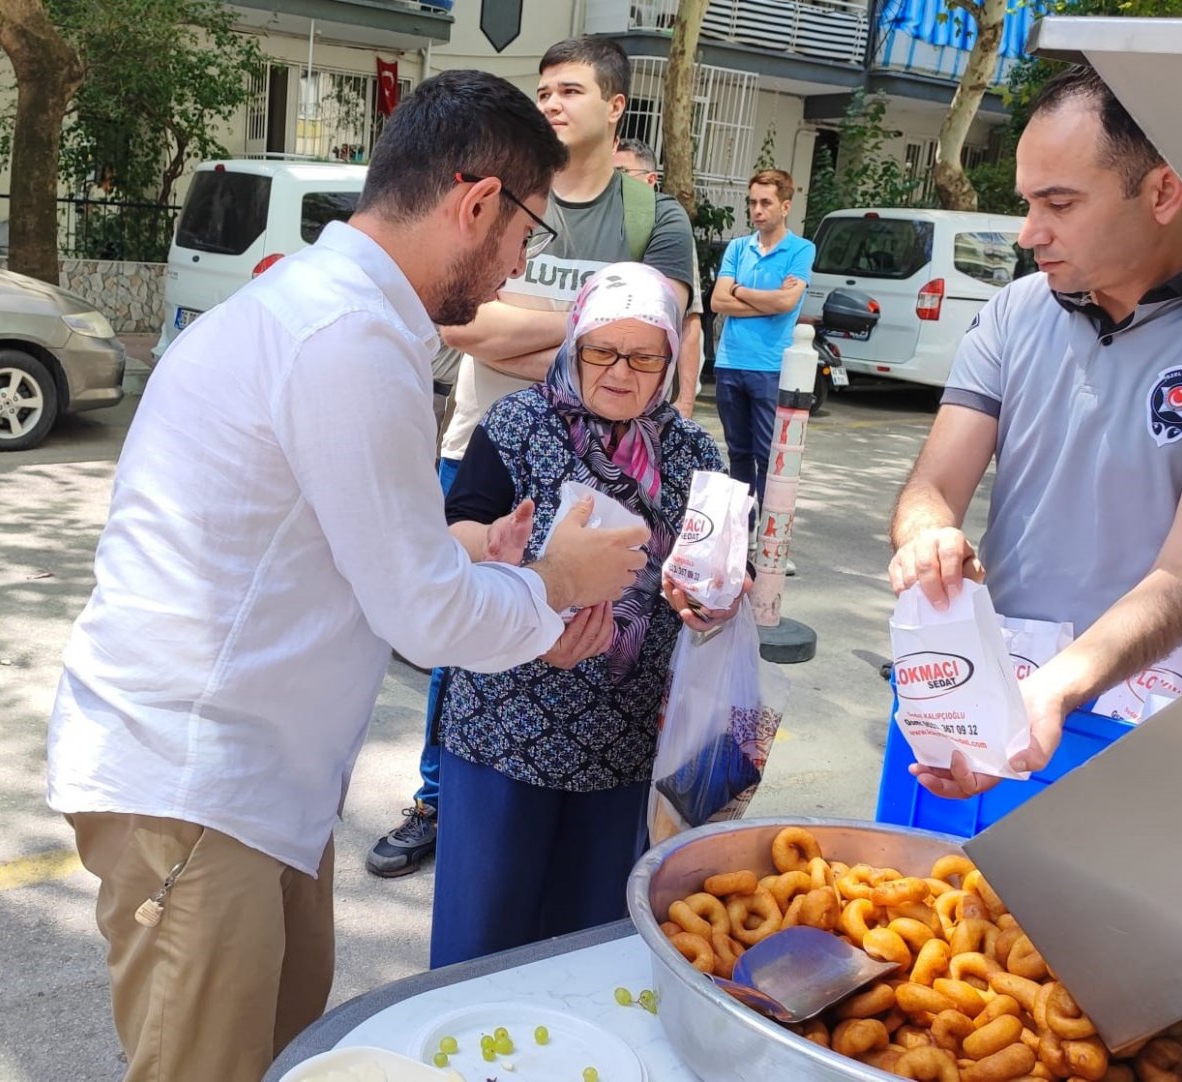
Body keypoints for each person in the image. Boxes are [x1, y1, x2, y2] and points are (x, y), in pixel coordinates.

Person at [45, 70, 653, 1082]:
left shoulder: (332, 314)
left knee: (288, 1048)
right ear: (474, 202)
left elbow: (353, 549)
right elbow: (421, 615)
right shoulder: (347, 337)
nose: (515, 268)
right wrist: (553, 581)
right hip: (196, 782)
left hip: (257, 781)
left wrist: (469, 553)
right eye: (525, 234)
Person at [888, 65, 1182, 800]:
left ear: (1163, 191)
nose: (1031, 232)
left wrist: (1060, 689)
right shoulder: (1014, 313)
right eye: (1029, 201)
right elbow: (934, 485)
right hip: (1014, 697)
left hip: (1168, 722)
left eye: (1060, 204)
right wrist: (926, 537)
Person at [367, 35, 697, 879]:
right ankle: (438, 794)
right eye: (543, 89)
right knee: (464, 606)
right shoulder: (515, 423)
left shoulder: (648, 217)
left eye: (571, 90)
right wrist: (581, 329)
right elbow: (465, 320)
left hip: (621, 729)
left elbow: (647, 318)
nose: (552, 102)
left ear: (617, 106)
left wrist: (581, 335)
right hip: (484, 442)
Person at [428, 262, 740, 967]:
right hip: (505, 732)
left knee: (589, 953)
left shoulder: (691, 451)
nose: (620, 373)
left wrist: (715, 589)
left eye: (643, 356)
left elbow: (726, 562)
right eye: (602, 351)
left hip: (623, 746)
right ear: (574, 346)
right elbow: (454, 533)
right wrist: (493, 547)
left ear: (671, 361)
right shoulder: (517, 424)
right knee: (481, 950)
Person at [709, 169, 815, 513]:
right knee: (737, 452)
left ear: (785, 206)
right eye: (753, 202)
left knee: (768, 454)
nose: (757, 210)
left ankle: (771, 538)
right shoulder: (738, 248)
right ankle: (742, 532)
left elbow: (787, 306)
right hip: (730, 363)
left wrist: (738, 292)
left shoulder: (801, 249)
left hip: (769, 367)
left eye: (766, 202)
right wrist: (765, 301)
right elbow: (717, 302)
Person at [613, 136, 704, 419]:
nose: (615, 183)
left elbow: (689, 321)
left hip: (647, 392)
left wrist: (685, 403)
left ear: (651, 179)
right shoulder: (601, 223)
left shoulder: (668, 228)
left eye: (623, 174)